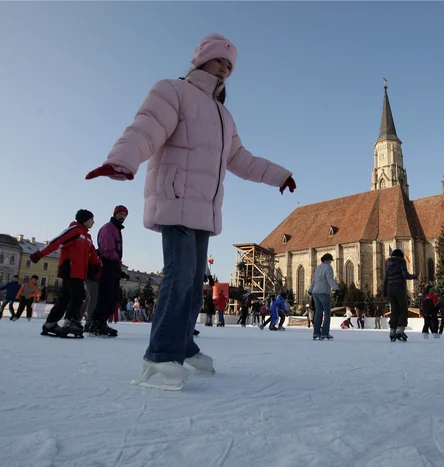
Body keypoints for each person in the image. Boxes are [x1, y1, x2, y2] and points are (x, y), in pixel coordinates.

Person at [85, 33, 295, 390]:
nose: (225, 70)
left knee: (193, 282)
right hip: (176, 199)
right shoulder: (172, 91)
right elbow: (146, 127)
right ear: (201, 61)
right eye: (219, 62)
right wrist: (121, 160)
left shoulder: (224, 116)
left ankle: (182, 345)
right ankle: (159, 357)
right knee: (179, 277)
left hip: (204, 210)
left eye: (230, 66)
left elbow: (239, 159)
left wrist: (279, 174)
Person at [31, 210, 101, 338]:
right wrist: (39, 254)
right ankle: (70, 321)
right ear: (84, 219)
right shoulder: (74, 230)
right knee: (79, 295)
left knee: (65, 298)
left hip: (80, 272)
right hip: (70, 269)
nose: (93, 222)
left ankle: (50, 323)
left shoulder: (87, 237)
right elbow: (57, 242)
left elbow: (93, 255)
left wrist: (97, 265)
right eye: (91, 219)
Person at [89, 205, 128, 337]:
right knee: (105, 296)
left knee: (113, 295)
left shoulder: (116, 229)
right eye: (120, 214)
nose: (122, 217)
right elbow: (108, 249)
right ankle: (96, 323)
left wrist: (119, 266)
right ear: (115, 214)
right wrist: (115, 263)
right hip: (107, 264)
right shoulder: (108, 228)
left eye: (124, 215)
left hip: (113, 264)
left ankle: (101, 322)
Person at [382, 248, 417, 342]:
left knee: (394, 310)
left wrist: (385, 293)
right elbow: (405, 275)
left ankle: (392, 331)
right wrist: (414, 276)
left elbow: (385, 280)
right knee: (403, 309)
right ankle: (400, 330)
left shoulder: (388, 265)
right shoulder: (401, 262)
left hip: (390, 289)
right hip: (399, 288)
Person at [307, 253, 340, 340]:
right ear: (328, 260)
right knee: (327, 313)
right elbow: (330, 279)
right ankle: (325, 333)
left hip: (315, 292)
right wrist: (336, 288)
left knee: (318, 313)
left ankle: (316, 332)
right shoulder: (328, 267)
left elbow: (314, 280)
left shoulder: (318, 267)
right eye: (330, 260)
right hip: (323, 292)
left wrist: (310, 290)